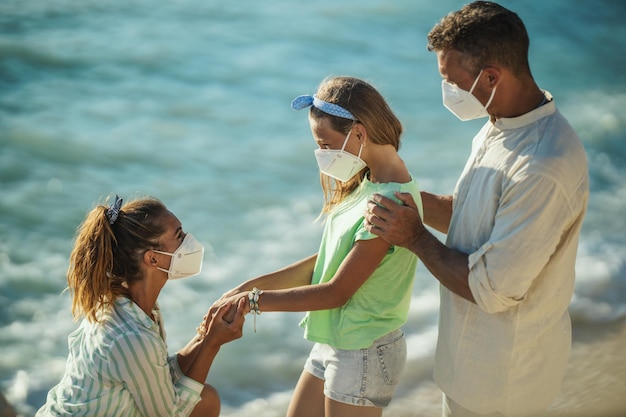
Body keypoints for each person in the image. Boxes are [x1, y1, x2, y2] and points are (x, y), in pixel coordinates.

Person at [363, 2, 589, 417]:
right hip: (470, 367)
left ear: (490, 76)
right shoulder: (500, 122)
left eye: (451, 82)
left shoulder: (543, 166)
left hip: (502, 383)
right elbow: (473, 216)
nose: (446, 92)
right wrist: (408, 199)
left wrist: (413, 237)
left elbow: (492, 289)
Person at [217, 76, 423, 417]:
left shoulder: (390, 203)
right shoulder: (367, 182)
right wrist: (246, 288)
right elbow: (324, 262)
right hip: (336, 339)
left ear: (359, 133)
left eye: (325, 144)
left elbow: (336, 291)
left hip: (364, 351)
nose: (321, 155)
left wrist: (254, 302)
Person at [36, 195, 246, 417]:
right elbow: (169, 415)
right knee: (204, 403)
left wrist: (204, 336)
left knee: (207, 399)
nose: (189, 241)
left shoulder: (132, 306)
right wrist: (213, 344)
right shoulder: (130, 336)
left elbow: (156, 373)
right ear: (153, 259)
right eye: (179, 236)